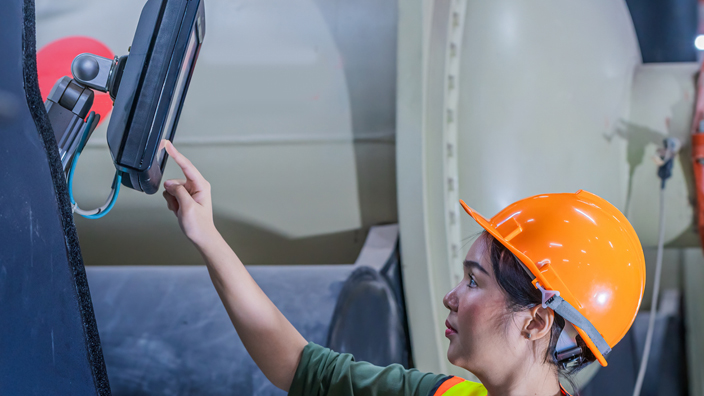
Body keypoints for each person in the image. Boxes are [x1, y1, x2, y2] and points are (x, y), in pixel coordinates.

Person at [161, 141, 646, 396]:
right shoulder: (447, 395)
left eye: (475, 281)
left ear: (537, 320)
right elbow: (298, 366)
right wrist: (206, 235)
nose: (450, 296)